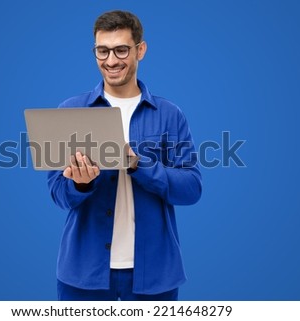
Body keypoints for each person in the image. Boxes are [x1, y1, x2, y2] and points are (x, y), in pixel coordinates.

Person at [47, 10, 202, 301]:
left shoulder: (169, 114)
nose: (111, 60)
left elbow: (192, 189)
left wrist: (138, 164)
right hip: (83, 273)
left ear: (140, 50)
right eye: (102, 51)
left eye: (121, 50)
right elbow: (57, 193)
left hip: (154, 274)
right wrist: (80, 184)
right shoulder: (71, 110)